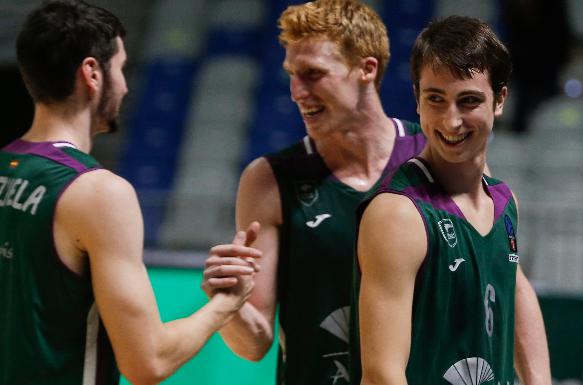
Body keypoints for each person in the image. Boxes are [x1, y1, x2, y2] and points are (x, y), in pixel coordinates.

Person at [0, 1, 260, 384]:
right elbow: (148, 362)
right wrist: (226, 305)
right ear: (92, 73)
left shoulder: (7, 165)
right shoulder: (98, 192)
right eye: (120, 68)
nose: (124, 85)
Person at [201, 1, 427, 384]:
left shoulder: (432, 159)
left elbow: (503, 285)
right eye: (291, 74)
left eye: (313, 74)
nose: (296, 92)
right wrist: (229, 303)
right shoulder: (269, 179)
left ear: (366, 70)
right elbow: (254, 345)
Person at [355, 16, 551, 385]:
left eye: (469, 101)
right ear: (416, 98)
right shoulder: (397, 214)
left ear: (500, 100)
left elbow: (515, 288)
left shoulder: (505, 203)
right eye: (436, 99)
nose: (451, 120)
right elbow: (382, 373)